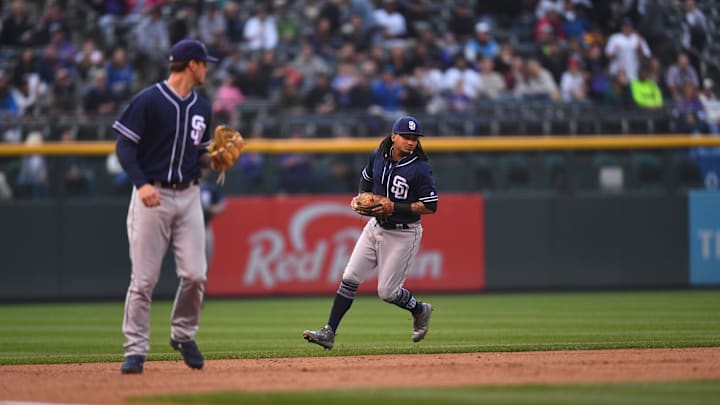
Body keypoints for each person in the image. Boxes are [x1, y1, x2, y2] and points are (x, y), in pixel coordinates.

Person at [113, 38, 220, 374]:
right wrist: (141, 183)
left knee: (195, 275)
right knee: (143, 281)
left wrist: (213, 159)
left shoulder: (202, 106)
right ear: (191, 64)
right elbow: (124, 147)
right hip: (152, 194)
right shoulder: (148, 100)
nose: (206, 68)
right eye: (204, 63)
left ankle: (183, 334)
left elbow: (197, 155)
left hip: (188, 195)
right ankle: (135, 350)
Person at [303, 116, 438, 350]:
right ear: (394, 136)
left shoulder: (420, 169)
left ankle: (419, 310)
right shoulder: (378, 155)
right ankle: (329, 332)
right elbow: (365, 180)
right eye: (406, 137)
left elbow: (430, 205)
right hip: (375, 226)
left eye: (415, 138)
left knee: (387, 292)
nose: (411, 142)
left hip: (404, 233)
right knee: (350, 278)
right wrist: (360, 198)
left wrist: (395, 207)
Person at [199, 169, 226, 268]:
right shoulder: (186, 187)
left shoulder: (208, 188)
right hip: (186, 228)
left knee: (206, 261)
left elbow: (222, 206)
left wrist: (208, 210)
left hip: (205, 226)